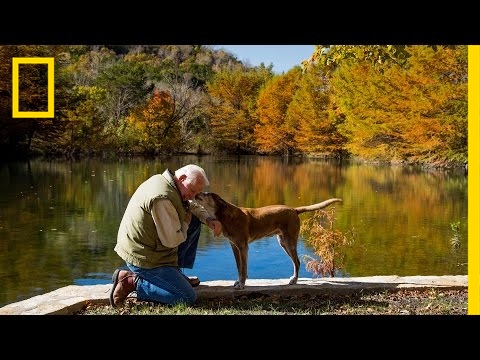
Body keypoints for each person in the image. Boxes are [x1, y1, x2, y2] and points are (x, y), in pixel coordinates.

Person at [110, 164, 222, 307]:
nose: (193, 197)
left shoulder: (167, 182)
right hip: (143, 258)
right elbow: (172, 241)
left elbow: (190, 205)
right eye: (192, 191)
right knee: (186, 297)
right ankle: (131, 281)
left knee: (195, 219)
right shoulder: (162, 198)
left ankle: (174, 274)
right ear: (182, 178)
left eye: (196, 194)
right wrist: (185, 223)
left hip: (152, 248)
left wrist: (208, 219)